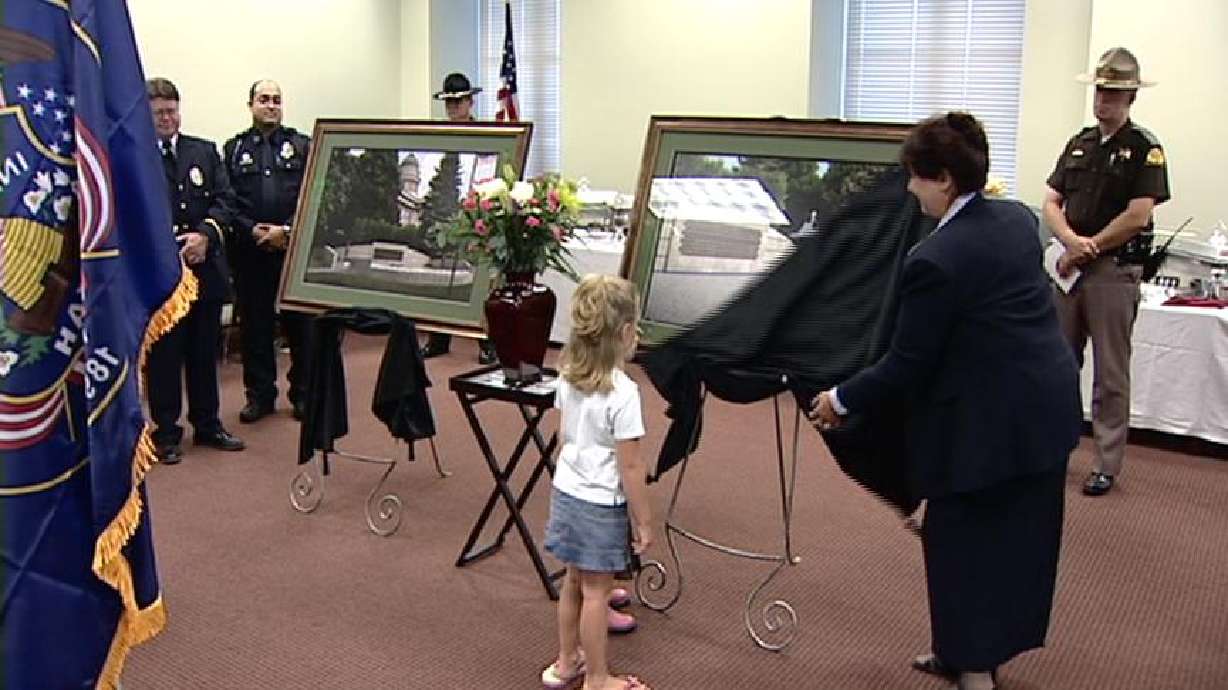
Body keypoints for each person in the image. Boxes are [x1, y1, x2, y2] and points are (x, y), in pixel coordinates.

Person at [810, 113, 1081, 690]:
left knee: (964, 543)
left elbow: (908, 364)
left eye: (916, 177)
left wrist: (840, 397)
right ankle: (964, 649)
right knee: (1016, 541)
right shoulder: (1015, 219)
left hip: (993, 423)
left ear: (945, 181)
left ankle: (973, 667)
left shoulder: (935, 260)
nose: (910, 189)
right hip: (1046, 406)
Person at [1043, 47, 1171, 497]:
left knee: (1110, 373)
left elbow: (1139, 215)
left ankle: (1106, 463)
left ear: (1131, 96)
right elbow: (1052, 201)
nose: (1104, 101)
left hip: (1113, 271)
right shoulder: (1080, 142)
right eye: (1100, 91)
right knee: (1059, 364)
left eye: (1114, 93)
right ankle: (1053, 449)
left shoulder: (1144, 149)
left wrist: (1088, 247)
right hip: (1070, 269)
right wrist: (1072, 243)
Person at [541, 275, 654, 690]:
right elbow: (631, 467)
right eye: (636, 327)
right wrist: (644, 522)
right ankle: (598, 678)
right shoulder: (624, 393)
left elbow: (562, 434)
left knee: (573, 581)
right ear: (625, 334)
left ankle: (566, 661)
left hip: (566, 493)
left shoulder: (567, 375)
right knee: (596, 592)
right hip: (598, 505)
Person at [146, 77, 246, 463]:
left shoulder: (203, 152)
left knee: (205, 353)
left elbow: (226, 200)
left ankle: (208, 424)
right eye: (159, 113)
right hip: (164, 274)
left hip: (205, 269)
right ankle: (167, 433)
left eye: (172, 111)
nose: (167, 119)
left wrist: (206, 235)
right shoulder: (137, 156)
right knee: (165, 357)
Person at [223, 79, 312, 422]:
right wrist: (253, 231)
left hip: (291, 250)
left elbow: (310, 194)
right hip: (252, 251)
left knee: (301, 328)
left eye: (277, 99)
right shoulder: (233, 149)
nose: (271, 105)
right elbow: (227, 199)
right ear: (251, 105)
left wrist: (286, 230)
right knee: (255, 329)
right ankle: (259, 396)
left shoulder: (301, 145)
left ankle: (302, 394)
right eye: (264, 99)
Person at [420, 72, 498, 365]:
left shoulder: (488, 137)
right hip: (447, 213)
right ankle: (438, 338)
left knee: (482, 281)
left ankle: (487, 342)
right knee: (443, 280)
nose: (453, 108)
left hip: (477, 212)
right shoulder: (440, 136)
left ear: (470, 102)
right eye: (449, 103)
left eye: (458, 102)